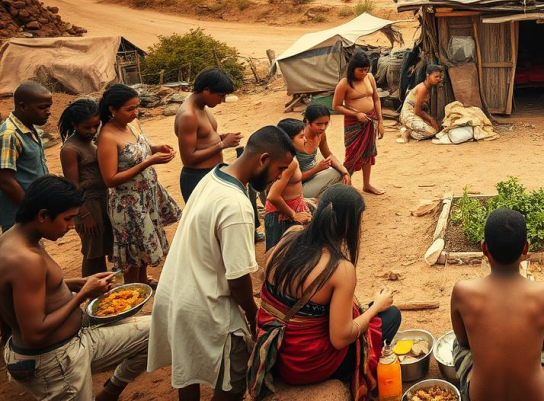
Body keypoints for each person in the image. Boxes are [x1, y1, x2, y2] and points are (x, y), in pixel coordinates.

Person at [148, 126, 296, 401]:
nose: (279, 177)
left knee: (188, 369)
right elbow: (237, 279)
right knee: (234, 378)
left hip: (176, 292)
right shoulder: (237, 205)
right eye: (280, 169)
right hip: (205, 304)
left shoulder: (214, 175)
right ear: (263, 159)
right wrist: (252, 316)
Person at [1, 176, 149, 401]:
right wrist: (82, 295)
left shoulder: (16, 238)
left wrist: (75, 283)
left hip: (62, 346)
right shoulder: (26, 260)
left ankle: (110, 392)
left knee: (155, 329)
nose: (71, 226)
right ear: (42, 215)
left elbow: (30, 289)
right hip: (54, 360)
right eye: (67, 219)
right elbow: (34, 333)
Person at [248, 185, 401, 398]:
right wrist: (376, 307)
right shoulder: (340, 269)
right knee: (391, 316)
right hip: (308, 366)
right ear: (350, 224)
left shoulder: (289, 236)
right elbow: (340, 338)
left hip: (275, 355)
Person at [450, 208, 544, 401]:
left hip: (477, 397)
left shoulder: (462, 292)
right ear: (525, 249)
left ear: (484, 248)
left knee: (456, 343)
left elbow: (463, 342)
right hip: (538, 396)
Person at [96, 84, 180, 288]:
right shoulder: (107, 137)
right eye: (129, 109)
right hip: (128, 204)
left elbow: (142, 147)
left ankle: (143, 281)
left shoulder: (133, 124)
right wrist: (148, 162)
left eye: (137, 106)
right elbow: (110, 179)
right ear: (112, 110)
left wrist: (156, 148)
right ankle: (133, 289)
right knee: (133, 253)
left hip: (147, 196)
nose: (135, 112)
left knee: (144, 247)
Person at [58, 99, 112, 276]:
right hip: (87, 204)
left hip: (102, 200)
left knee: (101, 250)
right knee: (92, 253)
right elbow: (73, 186)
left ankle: (102, 287)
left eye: (96, 126)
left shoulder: (90, 142)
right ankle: (89, 288)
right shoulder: (70, 149)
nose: (92, 131)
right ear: (74, 124)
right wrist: (85, 215)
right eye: (87, 127)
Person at [175, 68, 242, 203]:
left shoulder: (202, 107)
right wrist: (222, 144)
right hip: (198, 178)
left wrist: (221, 137)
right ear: (206, 90)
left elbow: (202, 139)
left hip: (212, 174)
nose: (222, 100)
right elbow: (188, 159)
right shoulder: (189, 115)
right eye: (220, 95)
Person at [0, 82, 52, 232]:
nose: (48, 112)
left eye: (49, 106)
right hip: (19, 218)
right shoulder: (10, 134)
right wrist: (30, 212)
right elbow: (5, 181)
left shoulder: (28, 128)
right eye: (42, 107)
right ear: (23, 106)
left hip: (33, 212)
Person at [332, 50, 385, 195]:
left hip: (370, 121)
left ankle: (367, 184)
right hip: (353, 123)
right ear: (353, 68)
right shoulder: (344, 83)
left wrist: (380, 121)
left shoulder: (370, 78)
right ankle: (345, 186)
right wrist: (356, 114)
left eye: (366, 70)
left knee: (368, 152)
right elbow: (336, 106)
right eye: (360, 70)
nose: (363, 73)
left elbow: (376, 99)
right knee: (352, 153)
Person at [263, 119, 314, 250]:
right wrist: (293, 215)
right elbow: (273, 196)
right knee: (281, 254)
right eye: (301, 137)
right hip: (282, 215)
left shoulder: (284, 156)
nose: (305, 140)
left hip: (288, 209)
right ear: (288, 140)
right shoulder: (290, 162)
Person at [297, 104, 350, 200]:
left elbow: (328, 155)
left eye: (326, 123)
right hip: (297, 187)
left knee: (339, 172)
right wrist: (316, 169)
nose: (323, 127)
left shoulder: (320, 135)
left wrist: (345, 172)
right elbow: (290, 178)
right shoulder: (298, 140)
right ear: (308, 122)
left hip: (312, 178)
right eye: (319, 124)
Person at [398, 64, 443, 143]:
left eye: (439, 77)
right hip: (408, 115)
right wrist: (431, 119)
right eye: (436, 77)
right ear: (428, 76)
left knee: (436, 128)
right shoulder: (422, 88)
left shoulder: (429, 87)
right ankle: (407, 132)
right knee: (432, 132)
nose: (438, 79)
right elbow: (417, 111)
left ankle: (409, 128)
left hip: (415, 115)